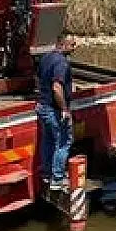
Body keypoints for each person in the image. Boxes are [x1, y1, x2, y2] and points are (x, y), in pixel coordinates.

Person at [36, 32, 77, 191]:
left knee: (48, 140)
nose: (75, 47)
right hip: (54, 110)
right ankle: (58, 179)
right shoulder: (62, 63)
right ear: (62, 44)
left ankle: (46, 174)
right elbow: (56, 87)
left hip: (43, 107)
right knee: (63, 142)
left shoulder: (46, 57)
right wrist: (64, 109)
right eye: (72, 44)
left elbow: (39, 78)